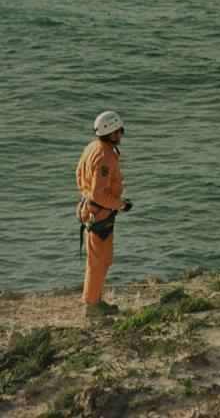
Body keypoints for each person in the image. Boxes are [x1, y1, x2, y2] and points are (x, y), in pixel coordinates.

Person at [76, 111, 133, 317]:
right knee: (99, 260)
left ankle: (94, 300)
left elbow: (80, 175)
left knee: (101, 258)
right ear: (111, 133)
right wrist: (120, 205)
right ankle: (92, 305)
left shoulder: (92, 148)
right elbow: (99, 193)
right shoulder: (104, 157)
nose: (122, 134)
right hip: (99, 213)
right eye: (120, 131)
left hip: (91, 209)